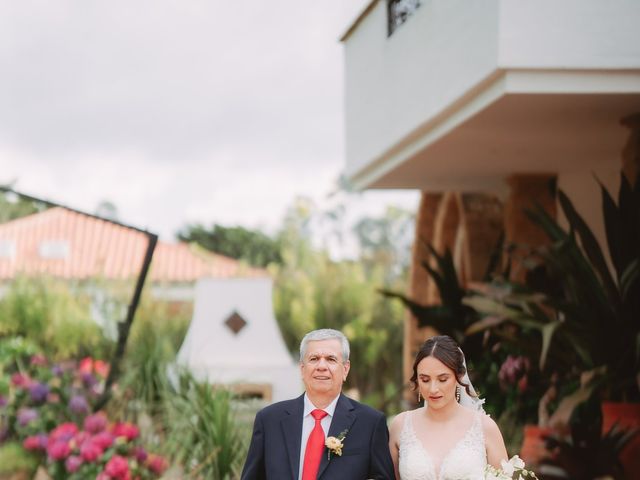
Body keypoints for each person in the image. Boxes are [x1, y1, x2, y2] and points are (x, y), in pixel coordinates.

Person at [241, 328, 395, 480]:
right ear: (302, 369)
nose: (321, 366)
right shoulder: (269, 420)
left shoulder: (370, 423)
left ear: (345, 369)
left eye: (331, 359)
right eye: (314, 359)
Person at [389, 335, 508, 480]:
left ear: (459, 375)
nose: (433, 389)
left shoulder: (485, 428)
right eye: (425, 380)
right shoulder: (400, 426)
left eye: (442, 379)